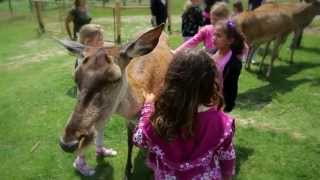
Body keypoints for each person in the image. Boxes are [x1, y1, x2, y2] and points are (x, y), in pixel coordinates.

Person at [133, 49, 236, 179]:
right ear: (210, 82)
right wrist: (227, 176)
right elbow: (227, 155)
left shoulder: (159, 118)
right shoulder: (222, 122)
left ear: (172, 81)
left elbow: (139, 140)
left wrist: (148, 107)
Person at [72, 24, 117, 176]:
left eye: (102, 39)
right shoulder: (84, 58)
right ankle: (80, 161)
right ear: (87, 41)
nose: (102, 42)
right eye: (99, 40)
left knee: (100, 126)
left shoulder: (98, 53)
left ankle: (99, 149)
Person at [211, 20, 244, 112]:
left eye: (219, 36)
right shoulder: (211, 53)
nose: (214, 38)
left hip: (220, 104)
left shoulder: (234, 63)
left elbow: (232, 87)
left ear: (230, 40)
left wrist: (228, 105)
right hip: (207, 99)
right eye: (214, 34)